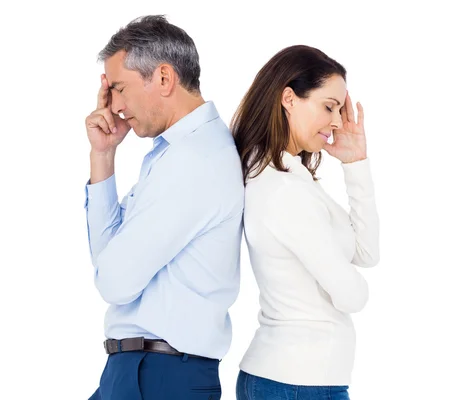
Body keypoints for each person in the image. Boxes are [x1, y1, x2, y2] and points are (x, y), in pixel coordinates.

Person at [84, 15, 243, 400]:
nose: (115, 106)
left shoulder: (194, 160)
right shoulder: (174, 155)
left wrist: (111, 270)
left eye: (119, 88)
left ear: (165, 78)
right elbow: (109, 264)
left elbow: (114, 281)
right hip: (141, 371)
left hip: (157, 376)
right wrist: (103, 156)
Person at [231, 45, 380, 400]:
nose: (336, 121)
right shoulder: (282, 189)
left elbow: (367, 252)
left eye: (340, 110)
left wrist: (355, 163)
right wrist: (354, 285)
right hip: (295, 382)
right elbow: (351, 295)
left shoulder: (292, 176)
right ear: (289, 98)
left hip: (299, 380)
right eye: (329, 106)